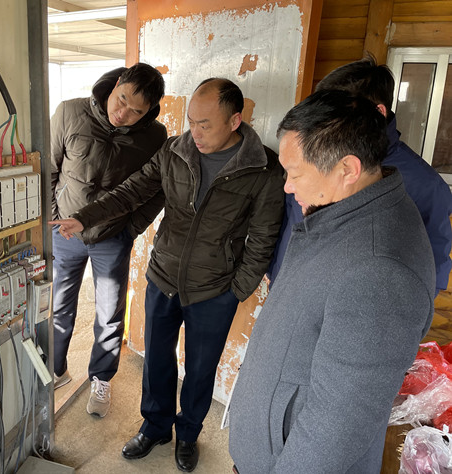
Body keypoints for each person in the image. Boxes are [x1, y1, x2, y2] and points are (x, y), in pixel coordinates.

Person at [51, 78, 284, 472]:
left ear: (234, 121)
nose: (196, 133)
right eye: (191, 122)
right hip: (164, 275)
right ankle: (155, 426)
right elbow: (130, 192)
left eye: (205, 125)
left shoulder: (263, 168)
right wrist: (84, 218)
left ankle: (189, 434)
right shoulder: (175, 150)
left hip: (215, 288)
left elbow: (264, 237)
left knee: (200, 369)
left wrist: (237, 290)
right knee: (157, 361)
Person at [228, 90, 436, 473]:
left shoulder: (380, 272)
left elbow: (337, 428)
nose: (287, 186)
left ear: (347, 170)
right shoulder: (346, 213)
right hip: (269, 448)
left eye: (295, 174)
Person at [267, 57, 452, 293]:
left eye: (337, 110)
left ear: (378, 112)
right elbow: (289, 218)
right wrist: (275, 270)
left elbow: (429, 275)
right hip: (287, 286)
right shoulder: (310, 157)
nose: (323, 120)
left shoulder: (426, 186)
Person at [50, 63, 167, 418]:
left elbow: (156, 190)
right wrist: (52, 219)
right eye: (122, 100)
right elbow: (48, 171)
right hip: (65, 232)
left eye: (136, 111)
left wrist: (132, 229)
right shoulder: (70, 112)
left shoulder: (154, 136)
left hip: (112, 236)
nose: (123, 113)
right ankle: (55, 369)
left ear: (149, 112)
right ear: (116, 84)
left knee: (109, 311)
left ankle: (101, 378)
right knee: (58, 304)